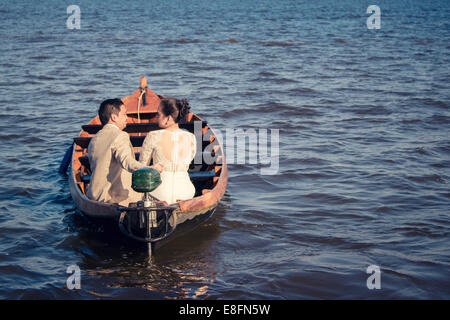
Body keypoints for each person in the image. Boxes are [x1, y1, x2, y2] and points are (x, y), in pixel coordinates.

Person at [86, 98, 163, 206]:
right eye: (124, 114)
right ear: (114, 117)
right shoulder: (120, 135)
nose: (127, 118)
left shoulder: (95, 138)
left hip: (94, 196)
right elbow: (127, 161)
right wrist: (150, 169)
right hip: (116, 199)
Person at [139, 98, 197, 204]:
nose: (156, 117)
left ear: (169, 118)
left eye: (158, 114)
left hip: (158, 194)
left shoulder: (153, 136)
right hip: (186, 193)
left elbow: (142, 169)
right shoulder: (191, 137)